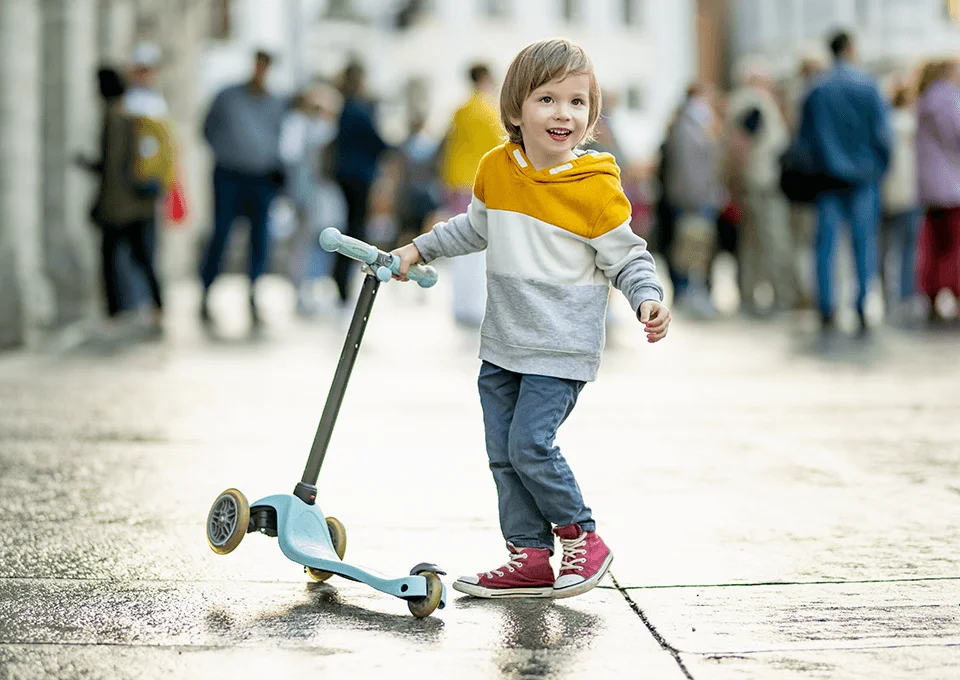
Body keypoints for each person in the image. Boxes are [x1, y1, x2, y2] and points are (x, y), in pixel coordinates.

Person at [392, 38, 671, 599]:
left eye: (577, 101)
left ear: (591, 114)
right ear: (516, 110)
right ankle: (531, 557)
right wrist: (417, 250)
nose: (563, 113)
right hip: (502, 345)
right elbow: (472, 228)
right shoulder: (497, 168)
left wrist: (647, 296)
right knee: (502, 455)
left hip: (559, 346)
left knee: (530, 446)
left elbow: (627, 254)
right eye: (547, 99)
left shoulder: (594, 187)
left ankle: (581, 538)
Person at [796, 31, 891, 333]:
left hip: (826, 178)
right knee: (864, 245)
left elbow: (804, 140)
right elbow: (882, 136)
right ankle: (862, 305)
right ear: (850, 48)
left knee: (825, 246)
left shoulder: (816, 89)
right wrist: (879, 168)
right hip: (863, 177)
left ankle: (827, 307)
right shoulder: (868, 85)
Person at [199, 50, 288, 326]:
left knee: (260, 238)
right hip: (229, 175)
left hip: (261, 179)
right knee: (222, 232)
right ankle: (206, 291)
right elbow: (207, 129)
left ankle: (253, 292)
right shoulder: (227, 97)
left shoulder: (276, 102)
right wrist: (227, 152)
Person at [78, 67, 164, 330]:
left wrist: (102, 202)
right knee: (142, 257)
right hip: (139, 203)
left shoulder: (115, 118)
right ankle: (156, 306)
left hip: (122, 205)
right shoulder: (132, 115)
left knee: (115, 257)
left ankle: (117, 311)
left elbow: (114, 166)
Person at [724, 65, 794, 314]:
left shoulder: (739, 102)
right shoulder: (756, 103)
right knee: (772, 239)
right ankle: (780, 296)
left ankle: (748, 296)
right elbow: (742, 142)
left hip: (751, 181)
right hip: (763, 181)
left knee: (751, 242)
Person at [438, 63, 504, 327]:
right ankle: (475, 304)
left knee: (460, 244)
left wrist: (447, 180)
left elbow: (450, 149)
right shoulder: (491, 111)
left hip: (458, 185)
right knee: (480, 247)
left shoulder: (460, 111)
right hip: (482, 185)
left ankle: (460, 303)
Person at [280, 83, 344, 316]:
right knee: (303, 244)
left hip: (321, 197)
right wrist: (298, 196)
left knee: (322, 244)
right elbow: (295, 163)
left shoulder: (324, 129)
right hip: (306, 196)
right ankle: (301, 291)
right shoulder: (299, 127)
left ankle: (315, 287)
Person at [331, 61, 390, 307]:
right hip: (357, 176)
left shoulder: (345, 107)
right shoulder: (358, 109)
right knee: (354, 228)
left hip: (348, 174)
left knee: (351, 224)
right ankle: (342, 281)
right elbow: (375, 140)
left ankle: (341, 280)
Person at [664, 82, 722, 318]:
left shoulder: (697, 124)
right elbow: (688, 169)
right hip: (693, 199)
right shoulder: (687, 126)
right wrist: (698, 197)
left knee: (697, 246)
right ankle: (687, 292)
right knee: (689, 247)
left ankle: (693, 292)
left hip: (700, 197)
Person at [914, 59, 960, 319]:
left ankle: (931, 292)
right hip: (952, 184)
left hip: (930, 186)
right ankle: (953, 291)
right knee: (954, 245)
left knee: (933, 244)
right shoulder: (947, 99)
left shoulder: (925, 100)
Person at [880, 83, 922, 318]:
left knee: (884, 248)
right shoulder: (913, 125)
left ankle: (887, 295)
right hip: (909, 193)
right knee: (907, 247)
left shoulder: (884, 124)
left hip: (885, 193)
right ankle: (905, 294)